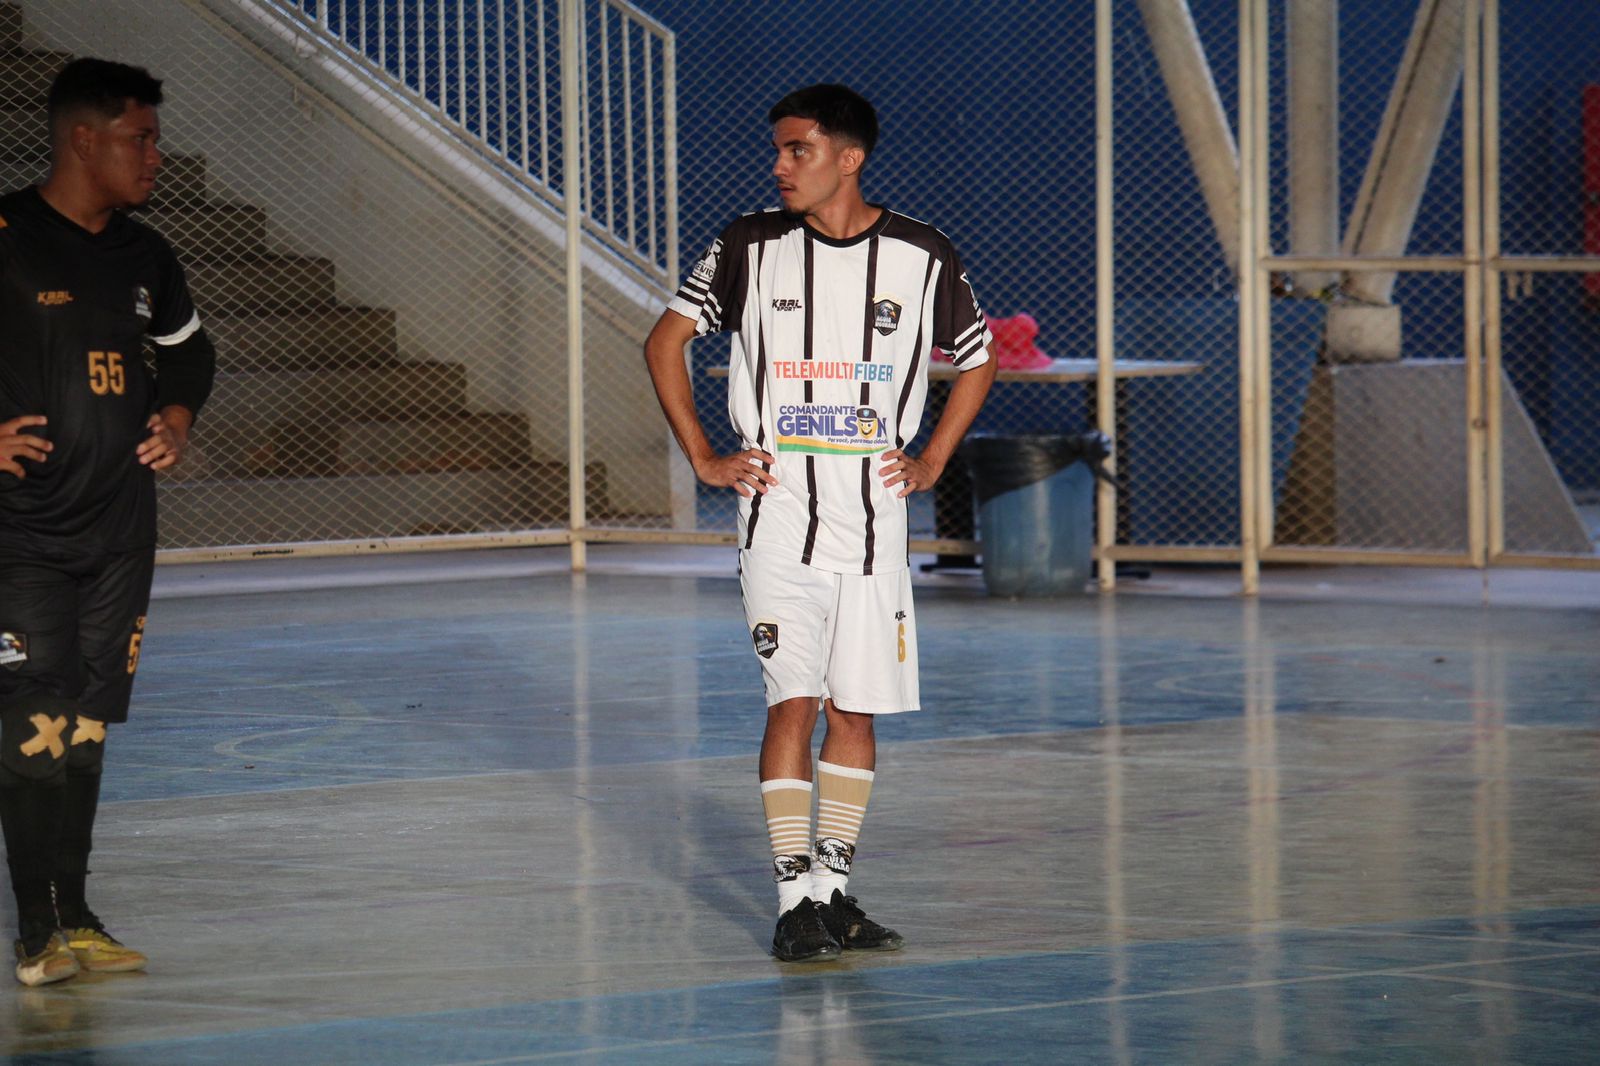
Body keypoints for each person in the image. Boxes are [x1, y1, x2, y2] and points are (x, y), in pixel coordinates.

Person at [644, 84, 997, 962]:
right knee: (792, 702)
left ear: (850, 157)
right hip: (778, 518)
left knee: (857, 712)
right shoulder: (748, 244)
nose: (780, 165)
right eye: (778, 149)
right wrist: (706, 457)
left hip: (876, 525)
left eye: (797, 149)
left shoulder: (922, 253)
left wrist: (932, 460)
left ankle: (833, 895)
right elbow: (664, 340)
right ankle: (791, 901)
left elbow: (978, 361)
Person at [0, 57, 215, 986]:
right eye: (142, 138)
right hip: (21, 534)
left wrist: (177, 416)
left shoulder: (146, 254)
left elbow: (190, 353)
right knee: (33, 719)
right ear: (84, 141)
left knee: (86, 722)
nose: (155, 156)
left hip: (122, 530)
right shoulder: (7, 238)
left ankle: (76, 916)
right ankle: (34, 933)